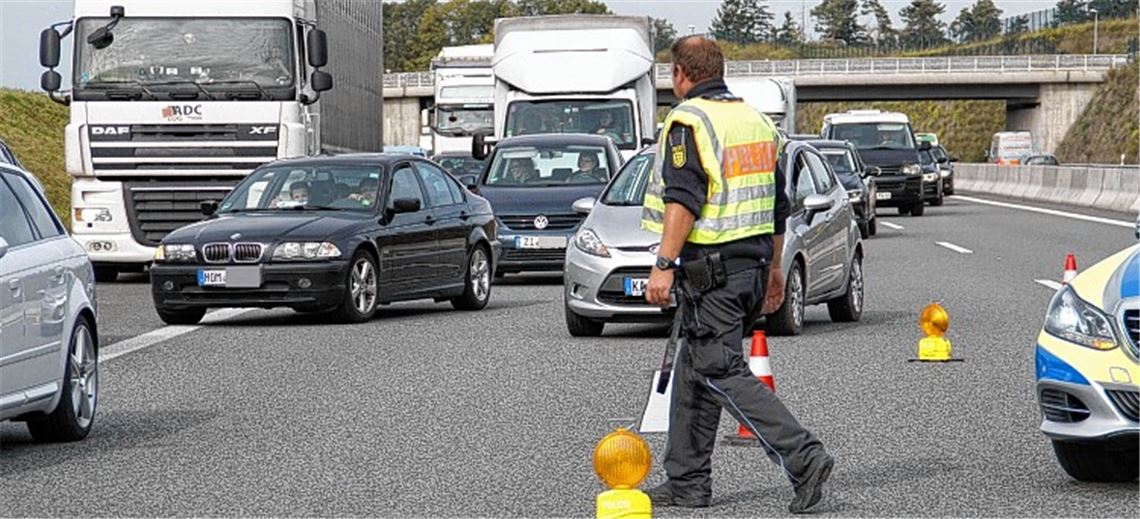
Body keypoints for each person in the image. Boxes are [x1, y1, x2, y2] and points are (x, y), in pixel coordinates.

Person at [641, 35, 833, 514]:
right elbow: (778, 207)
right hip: (748, 270)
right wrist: (773, 271)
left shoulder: (689, 120)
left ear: (680, 75)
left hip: (714, 272)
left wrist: (663, 265)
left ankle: (804, 457)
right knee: (696, 370)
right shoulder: (756, 120)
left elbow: (684, 197)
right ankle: (687, 482)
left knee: (719, 368)